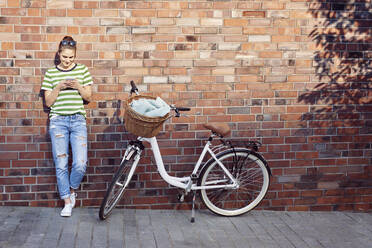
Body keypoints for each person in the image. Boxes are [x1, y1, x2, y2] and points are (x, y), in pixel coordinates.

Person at [41, 36, 93, 217]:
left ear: (75, 56)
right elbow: (48, 101)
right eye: (65, 57)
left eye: (71, 58)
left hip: (78, 121)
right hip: (58, 122)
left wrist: (78, 85)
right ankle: (67, 201)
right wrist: (59, 87)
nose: (68, 61)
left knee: (80, 163)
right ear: (59, 55)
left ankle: (72, 190)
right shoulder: (50, 74)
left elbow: (88, 97)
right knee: (61, 163)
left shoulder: (83, 71)